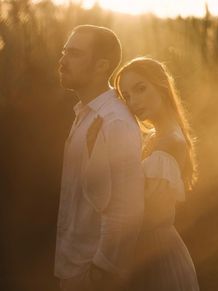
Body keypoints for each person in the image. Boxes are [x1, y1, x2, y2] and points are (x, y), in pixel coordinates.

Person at [55, 25, 145, 291]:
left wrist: (101, 271)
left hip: (91, 275)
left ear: (101, 66)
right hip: (73, 267)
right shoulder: (87, 113)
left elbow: (126, 209)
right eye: (64, 51)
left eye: (74, 53)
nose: (62, 61)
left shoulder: (114, 121)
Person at [114, 57, 200, 291]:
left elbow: (150, 215)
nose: (133, 101)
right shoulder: (156, 137)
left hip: (156, 258)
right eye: (127, 96)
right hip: (147, 252)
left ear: (161, 85)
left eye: (140, 89)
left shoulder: (170, 141)